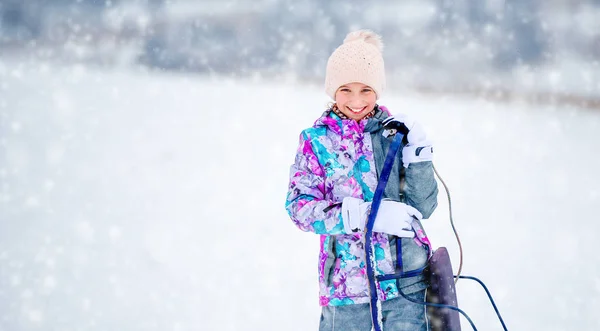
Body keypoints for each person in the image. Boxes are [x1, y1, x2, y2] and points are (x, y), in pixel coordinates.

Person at [285, 30, 439, 330]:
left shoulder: (394, 135)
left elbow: (424, 206)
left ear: (378, 90)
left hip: (404, 280)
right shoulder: (316, 141)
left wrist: (418, 153)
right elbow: (299, 207)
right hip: (346, 286)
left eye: (366, 90)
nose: (356, 101)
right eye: (345, 89)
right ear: (332, 90)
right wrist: (363, 215)